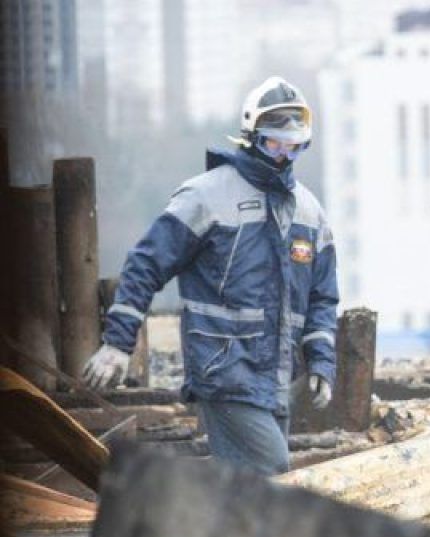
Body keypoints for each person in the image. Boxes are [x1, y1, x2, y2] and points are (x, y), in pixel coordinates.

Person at [82, 76, 338, 475]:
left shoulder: (309, 211)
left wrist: (321, 361)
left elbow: (322, 296)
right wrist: (118, 344)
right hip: (225, 371)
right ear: (250, 136)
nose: (284, 156)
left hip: (277, 380)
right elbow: (146, 263)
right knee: (272, 472)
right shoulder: (205, 196)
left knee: (248, 496)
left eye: (294, 146)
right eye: (275, 144)